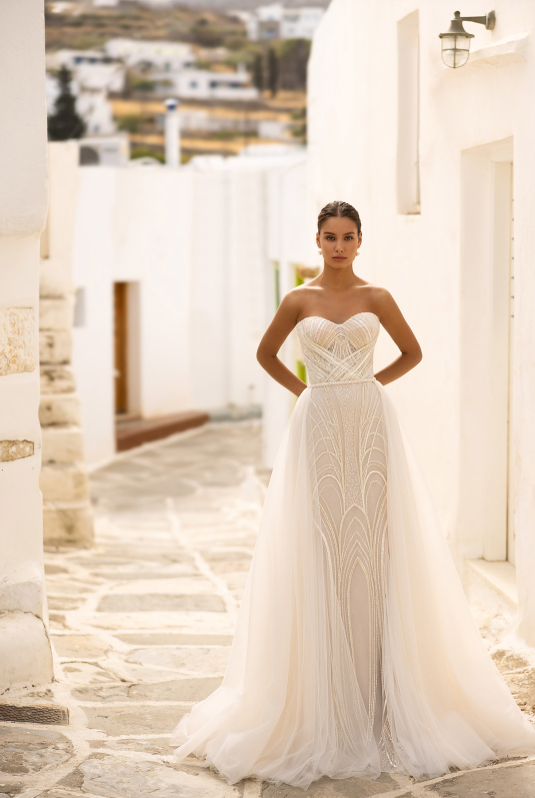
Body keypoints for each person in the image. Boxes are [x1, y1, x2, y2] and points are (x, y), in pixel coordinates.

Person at [170, 201, 535, 789]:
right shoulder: (299, 299)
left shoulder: (377, 297)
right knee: (322, 545)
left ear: (360, 241)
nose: (338, 246)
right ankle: (324, 695)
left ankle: (381, 695)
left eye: (347, 237)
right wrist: (307, 392)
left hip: (369, 425)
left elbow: (413, 352)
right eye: (329, 236)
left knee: (375, 547)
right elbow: (265, 355)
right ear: (316, 241)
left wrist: (367, 385)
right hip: (317, 426)